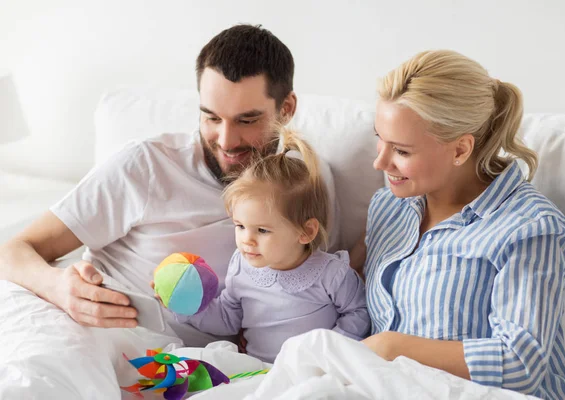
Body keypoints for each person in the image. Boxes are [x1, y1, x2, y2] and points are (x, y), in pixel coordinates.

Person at [0, 24, 339, 347]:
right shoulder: (144, 166)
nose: (226, 141)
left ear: (287, 108)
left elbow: (323, 277)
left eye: (247, 120)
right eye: (211, 117)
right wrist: (58, 287)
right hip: (103, 339)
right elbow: (12, 251)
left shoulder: (308, 179)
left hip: (211, 367)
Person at [352, 50, 565, 400]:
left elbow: (521, 364)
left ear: (460, 150)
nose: (379, 161)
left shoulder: (530, 228)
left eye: (402, 150)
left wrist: (391, 347)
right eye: (380, 138)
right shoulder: (389, 208)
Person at [156, 127, 369, 363]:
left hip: (312, 369)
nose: (247, 239)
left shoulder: (332, 273)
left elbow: (358, 312)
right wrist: (187, 306)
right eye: (240, 226)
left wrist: (329, 351)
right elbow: (227, 318)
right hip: (257, 370)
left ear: (306, 232)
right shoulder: (241, 266)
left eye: (263, 230)